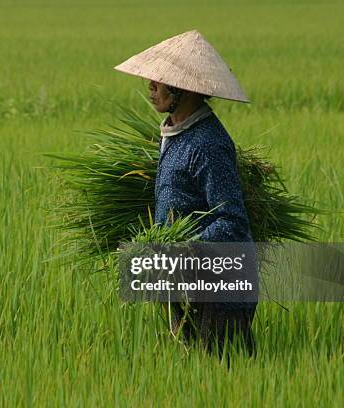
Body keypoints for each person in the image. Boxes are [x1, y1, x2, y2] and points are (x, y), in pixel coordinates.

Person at [115, 30, 257, 356]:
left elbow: (232, 221)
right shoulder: (175, 133)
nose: (151, 85)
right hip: (186, 282)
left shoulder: (208, 144)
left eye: (161, 80)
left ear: (183, 89)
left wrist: (183, 249)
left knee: (224, 376)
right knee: (191, 374)